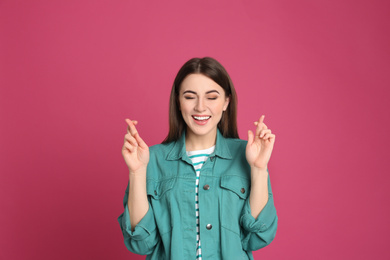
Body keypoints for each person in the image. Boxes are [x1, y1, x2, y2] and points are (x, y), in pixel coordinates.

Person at [118, 57, 278, 259]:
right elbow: (140, 243)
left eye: (211, 97)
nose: (201, 107)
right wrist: (137, 171)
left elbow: (258, 236)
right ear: (178, 101)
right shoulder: (151, 159)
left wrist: (259, 168)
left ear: (226, 102)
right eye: (190, 96)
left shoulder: (248, 155)